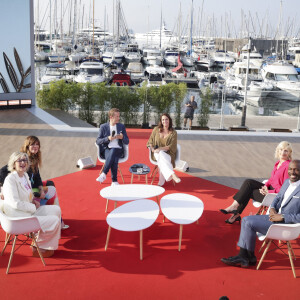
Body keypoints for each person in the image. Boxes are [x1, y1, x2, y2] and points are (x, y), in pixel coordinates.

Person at [221, 160, 300, 268]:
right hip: (273, 217)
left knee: (247, 221)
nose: (292, 172)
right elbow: (277, 198)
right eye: (290, 169)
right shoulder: (287, 182)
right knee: (246, 221)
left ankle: (245, 256)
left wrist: (282, 216)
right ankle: (248, 257)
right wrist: (272, 208)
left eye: (296, 169)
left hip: (286, 225)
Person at [2, 151, 61, 258]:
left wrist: (33, 200)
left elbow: (28, 194)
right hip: (18, 217)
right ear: (13, 164)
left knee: (56, 210)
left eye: (25, 160)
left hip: (28, 209)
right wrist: (33, 206)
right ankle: (40, 248)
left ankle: (40, 242)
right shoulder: (10, 179)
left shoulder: (24, 176)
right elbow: (16, 203)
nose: (23, 162)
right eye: (19, 160)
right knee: (55, 221)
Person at [220, 141, 292, 224]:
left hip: (274, 196)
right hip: (269, 189)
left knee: (248, 191)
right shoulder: (278, 163)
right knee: (248, 182)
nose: (283, 152)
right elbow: (272, 179)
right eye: (281, 149)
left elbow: (285, 188)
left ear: (289, 153)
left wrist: (269, 191)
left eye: (286, 150)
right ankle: (234, 207)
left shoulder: (288, 166)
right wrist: (265, 186)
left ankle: (235, 212)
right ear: (278, 151)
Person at [20, 136, 69, 230]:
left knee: (50, 183)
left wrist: (41, 190)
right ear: (27, 146)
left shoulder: (34, 158)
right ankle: (57, 220)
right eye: (33, 144)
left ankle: (55, 218)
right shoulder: (23, 159)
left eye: (37, 144)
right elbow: (4, 171)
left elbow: (37, 177)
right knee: (52, 190)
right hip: (27, 190)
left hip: (33, 185)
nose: (36, 146)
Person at [96, 108, 129, 185]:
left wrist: (122, 137)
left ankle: (104, 173)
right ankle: (114, 181)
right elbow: (98, 141)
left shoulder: (121, 126)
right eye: (117, 116)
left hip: (119, 149)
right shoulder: (103, 127)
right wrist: (108, 138)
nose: (119, 118)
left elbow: (127, 141)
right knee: (113, 157)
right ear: (111, 117)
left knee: (114, 150)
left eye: (119, 116)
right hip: (107, 149)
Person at [147, 113, 181, 186]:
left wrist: (160, 149)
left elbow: (171, 146)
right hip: (155, 153)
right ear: (161, 121)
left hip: (168, 154)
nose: (164, 121)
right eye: (163, 119)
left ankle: (161, 182)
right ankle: (172, 174)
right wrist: (152, 149)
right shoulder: (156, 129)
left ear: (169, 121)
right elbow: (150, 141)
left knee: (161, 155)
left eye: (166, 119)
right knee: (159, 154)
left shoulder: (174, 133)